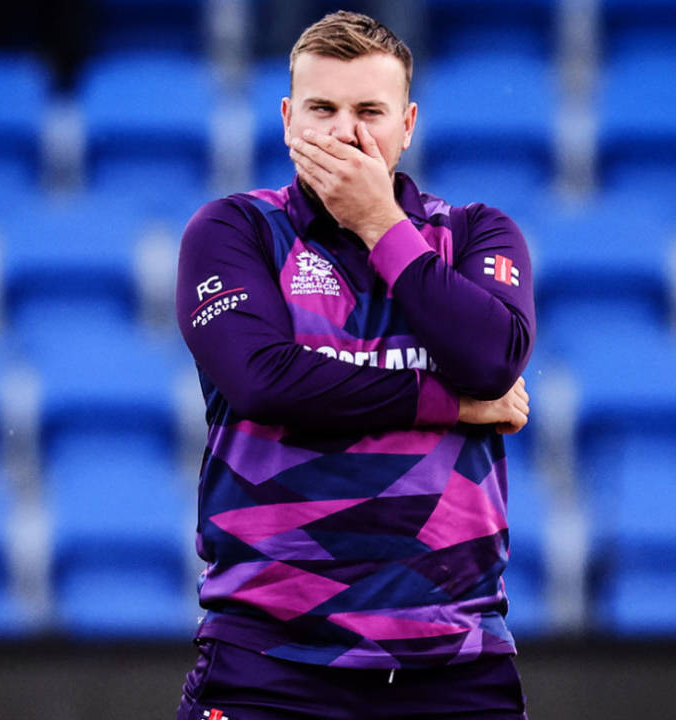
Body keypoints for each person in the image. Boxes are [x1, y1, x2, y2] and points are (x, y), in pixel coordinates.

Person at [174, 11, 535, 720]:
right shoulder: (233, 231)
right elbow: (264, 380)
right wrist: (451, 404)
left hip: (455, 658)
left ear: (408, 123)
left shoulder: (476, 234)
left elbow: (492, 359)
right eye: (323, 110)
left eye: (370, 111)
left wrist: (380, 225)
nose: (347, 132)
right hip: (269, 659)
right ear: (287, 120)